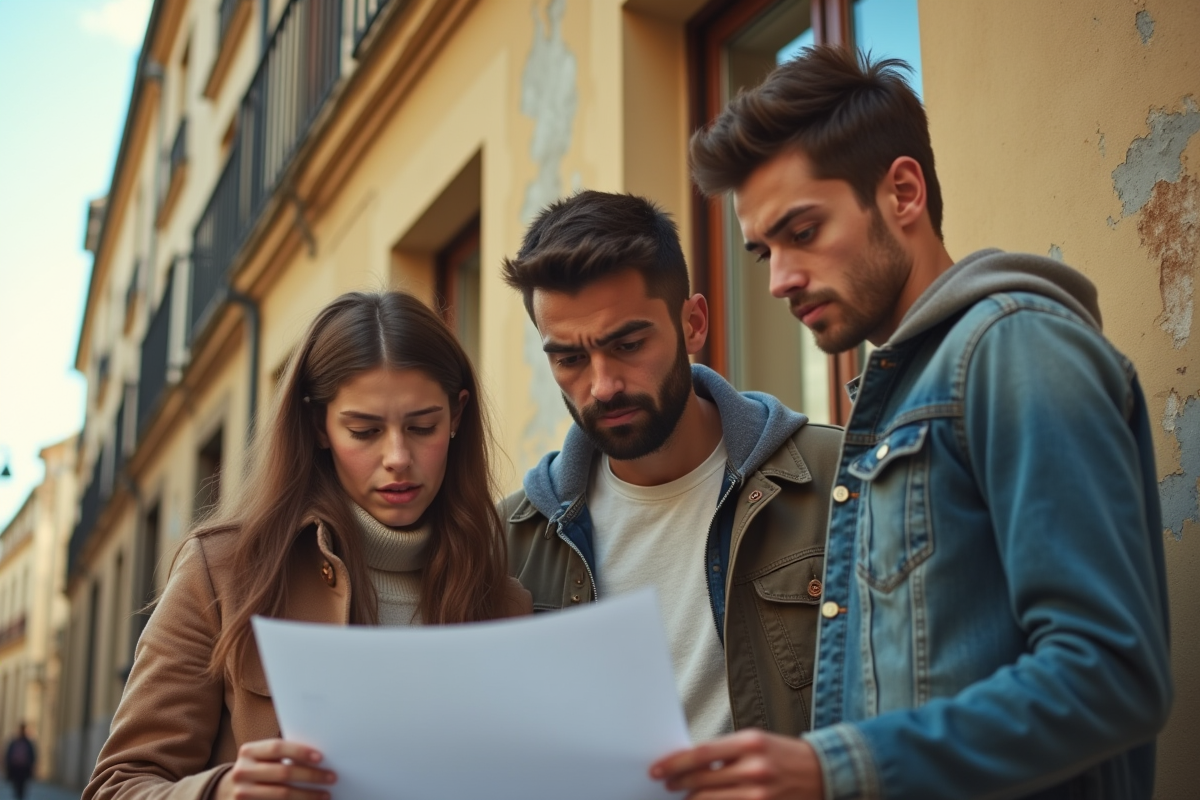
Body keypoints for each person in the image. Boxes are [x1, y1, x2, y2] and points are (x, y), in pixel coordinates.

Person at [651, 45, 1173, 799]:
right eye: (763, 251)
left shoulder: (1013, 349)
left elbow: (1112, 672)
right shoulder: (899, 396)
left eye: (802, 231)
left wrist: (836, 767)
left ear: (902, 192)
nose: (778, 280)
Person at [84, 291, 531, 800]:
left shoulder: (505, 603)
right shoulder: (225, 570)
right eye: (364, 431)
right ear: (319, 426)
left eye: (422, 427)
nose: (398, 457)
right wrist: (222, 792)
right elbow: (115, 786)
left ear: (457, 416)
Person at [499, 190, 843, 742]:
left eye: (629, 344)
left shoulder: (837, 479)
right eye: (569, 358)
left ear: (693, 324)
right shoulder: (509, 542)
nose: (603, 384)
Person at [4, 723, 36, 800]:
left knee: (20, 785)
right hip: (18, 767)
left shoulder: (21, 742)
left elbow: (32, 756)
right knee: (18, 785)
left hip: (22, 768)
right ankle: (19, 796)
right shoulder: (23, 742)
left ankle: (19, 796)